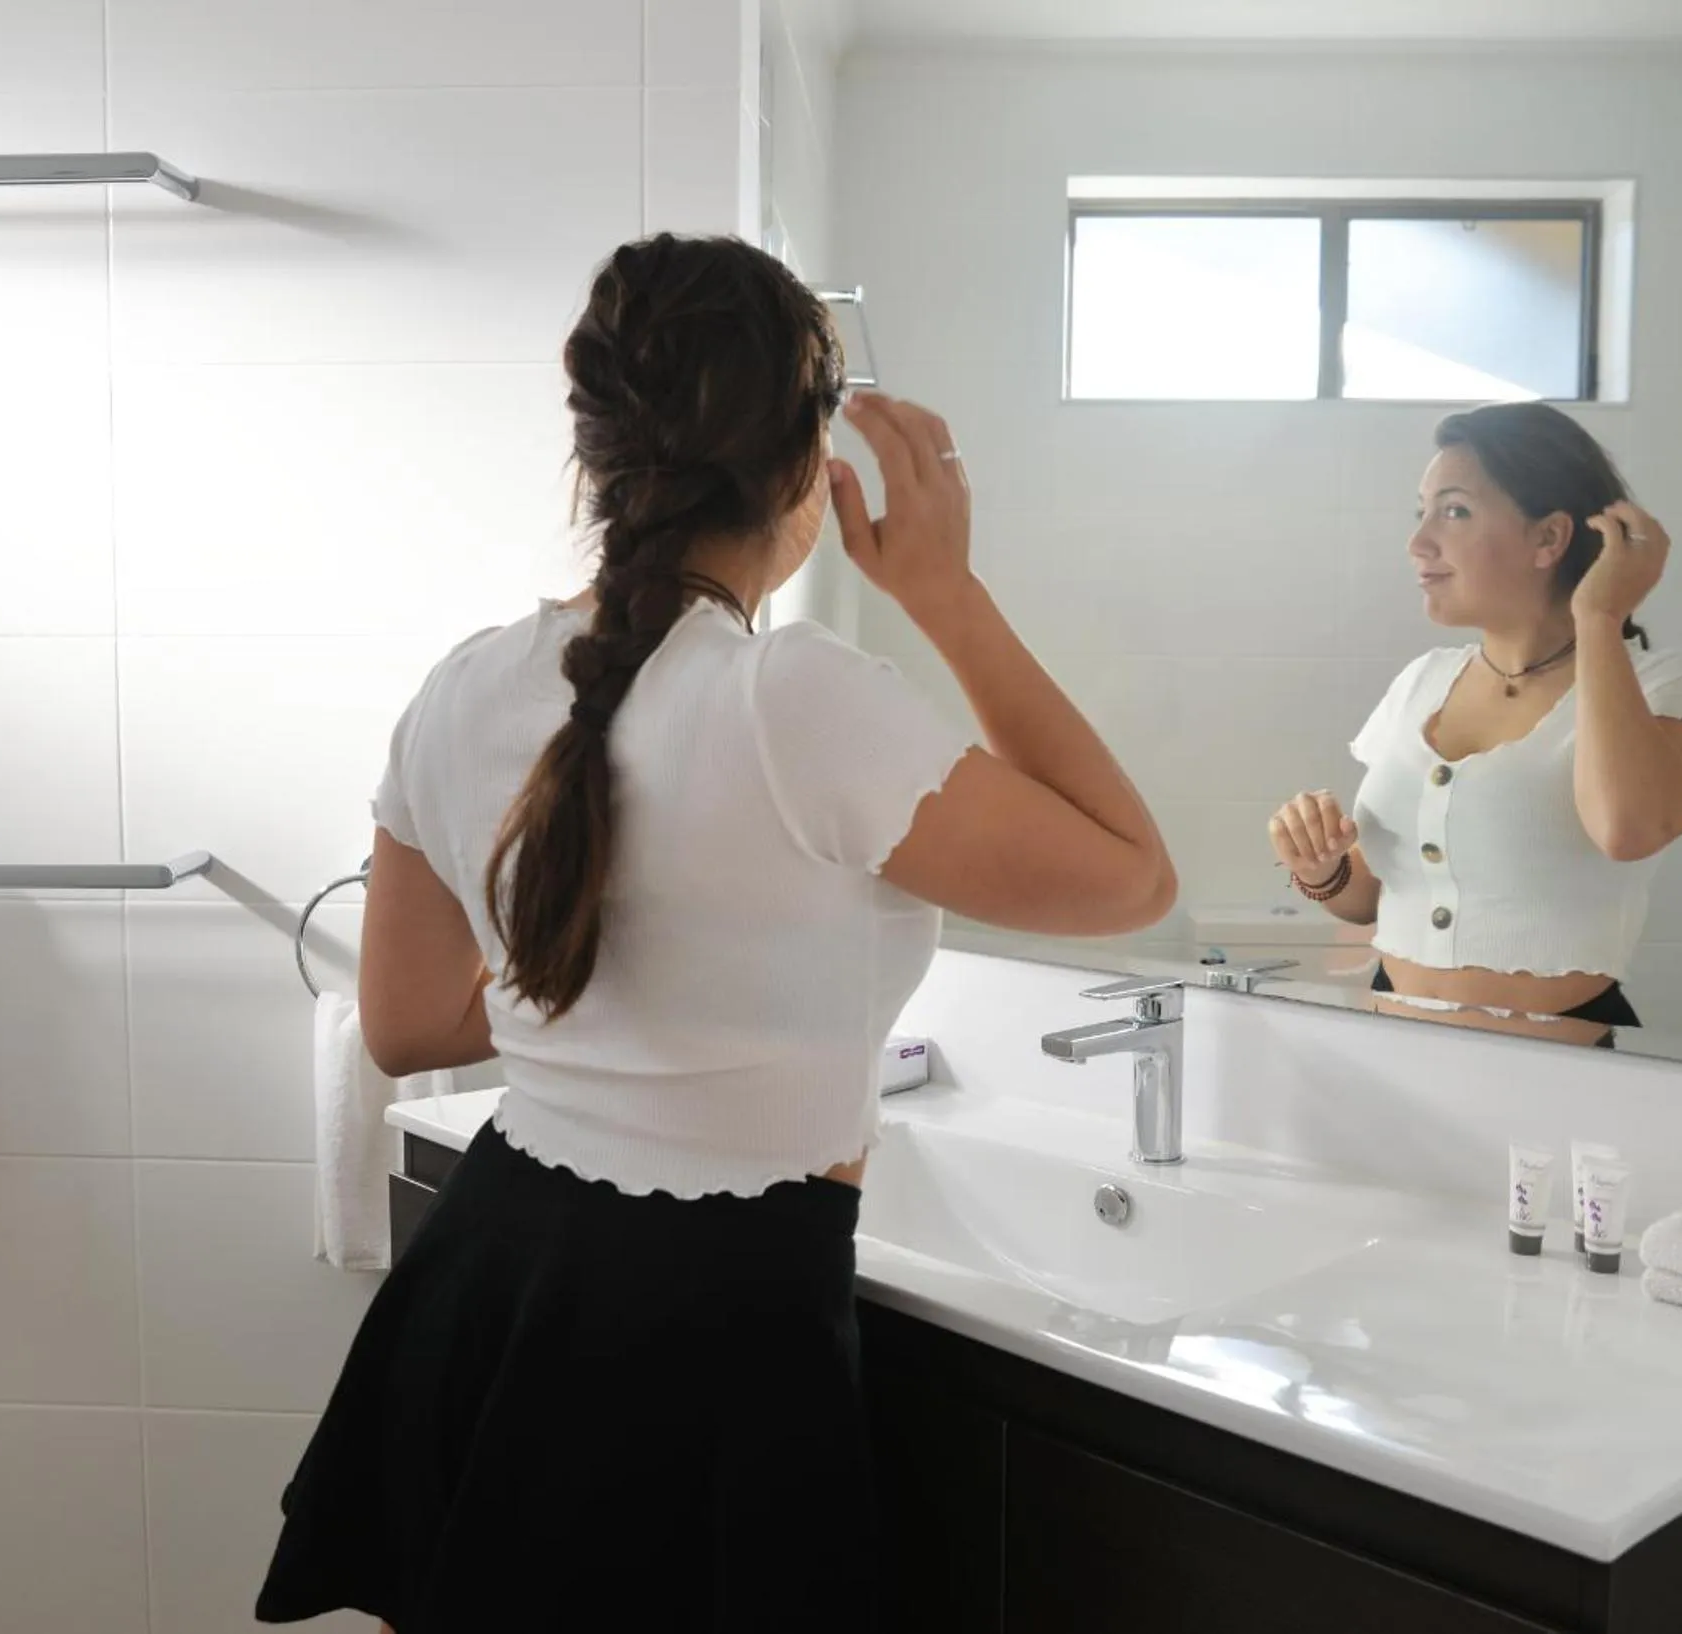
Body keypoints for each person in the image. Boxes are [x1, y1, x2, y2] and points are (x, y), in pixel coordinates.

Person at [255, 234, 1174, 1633]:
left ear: (598, 454)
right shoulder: (796, 698)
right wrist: (943, 589)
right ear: (804, 463)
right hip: (707, 1332)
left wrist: (593, 984)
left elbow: (400, 1024)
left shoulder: (462, 686)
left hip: (491, 1275)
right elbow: (1131, 875)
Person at [1267, 402, 1682, 1048]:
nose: (1418, 542)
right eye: (1421, 512)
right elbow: (1371, 895)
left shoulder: (1669, 686)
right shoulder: (1421, 682)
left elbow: (1627, 830)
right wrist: (1319, 868)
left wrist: (1599, 618)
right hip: (1386, 1057)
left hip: (1555, 1076)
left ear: (1549, 538)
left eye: (1454, 511)